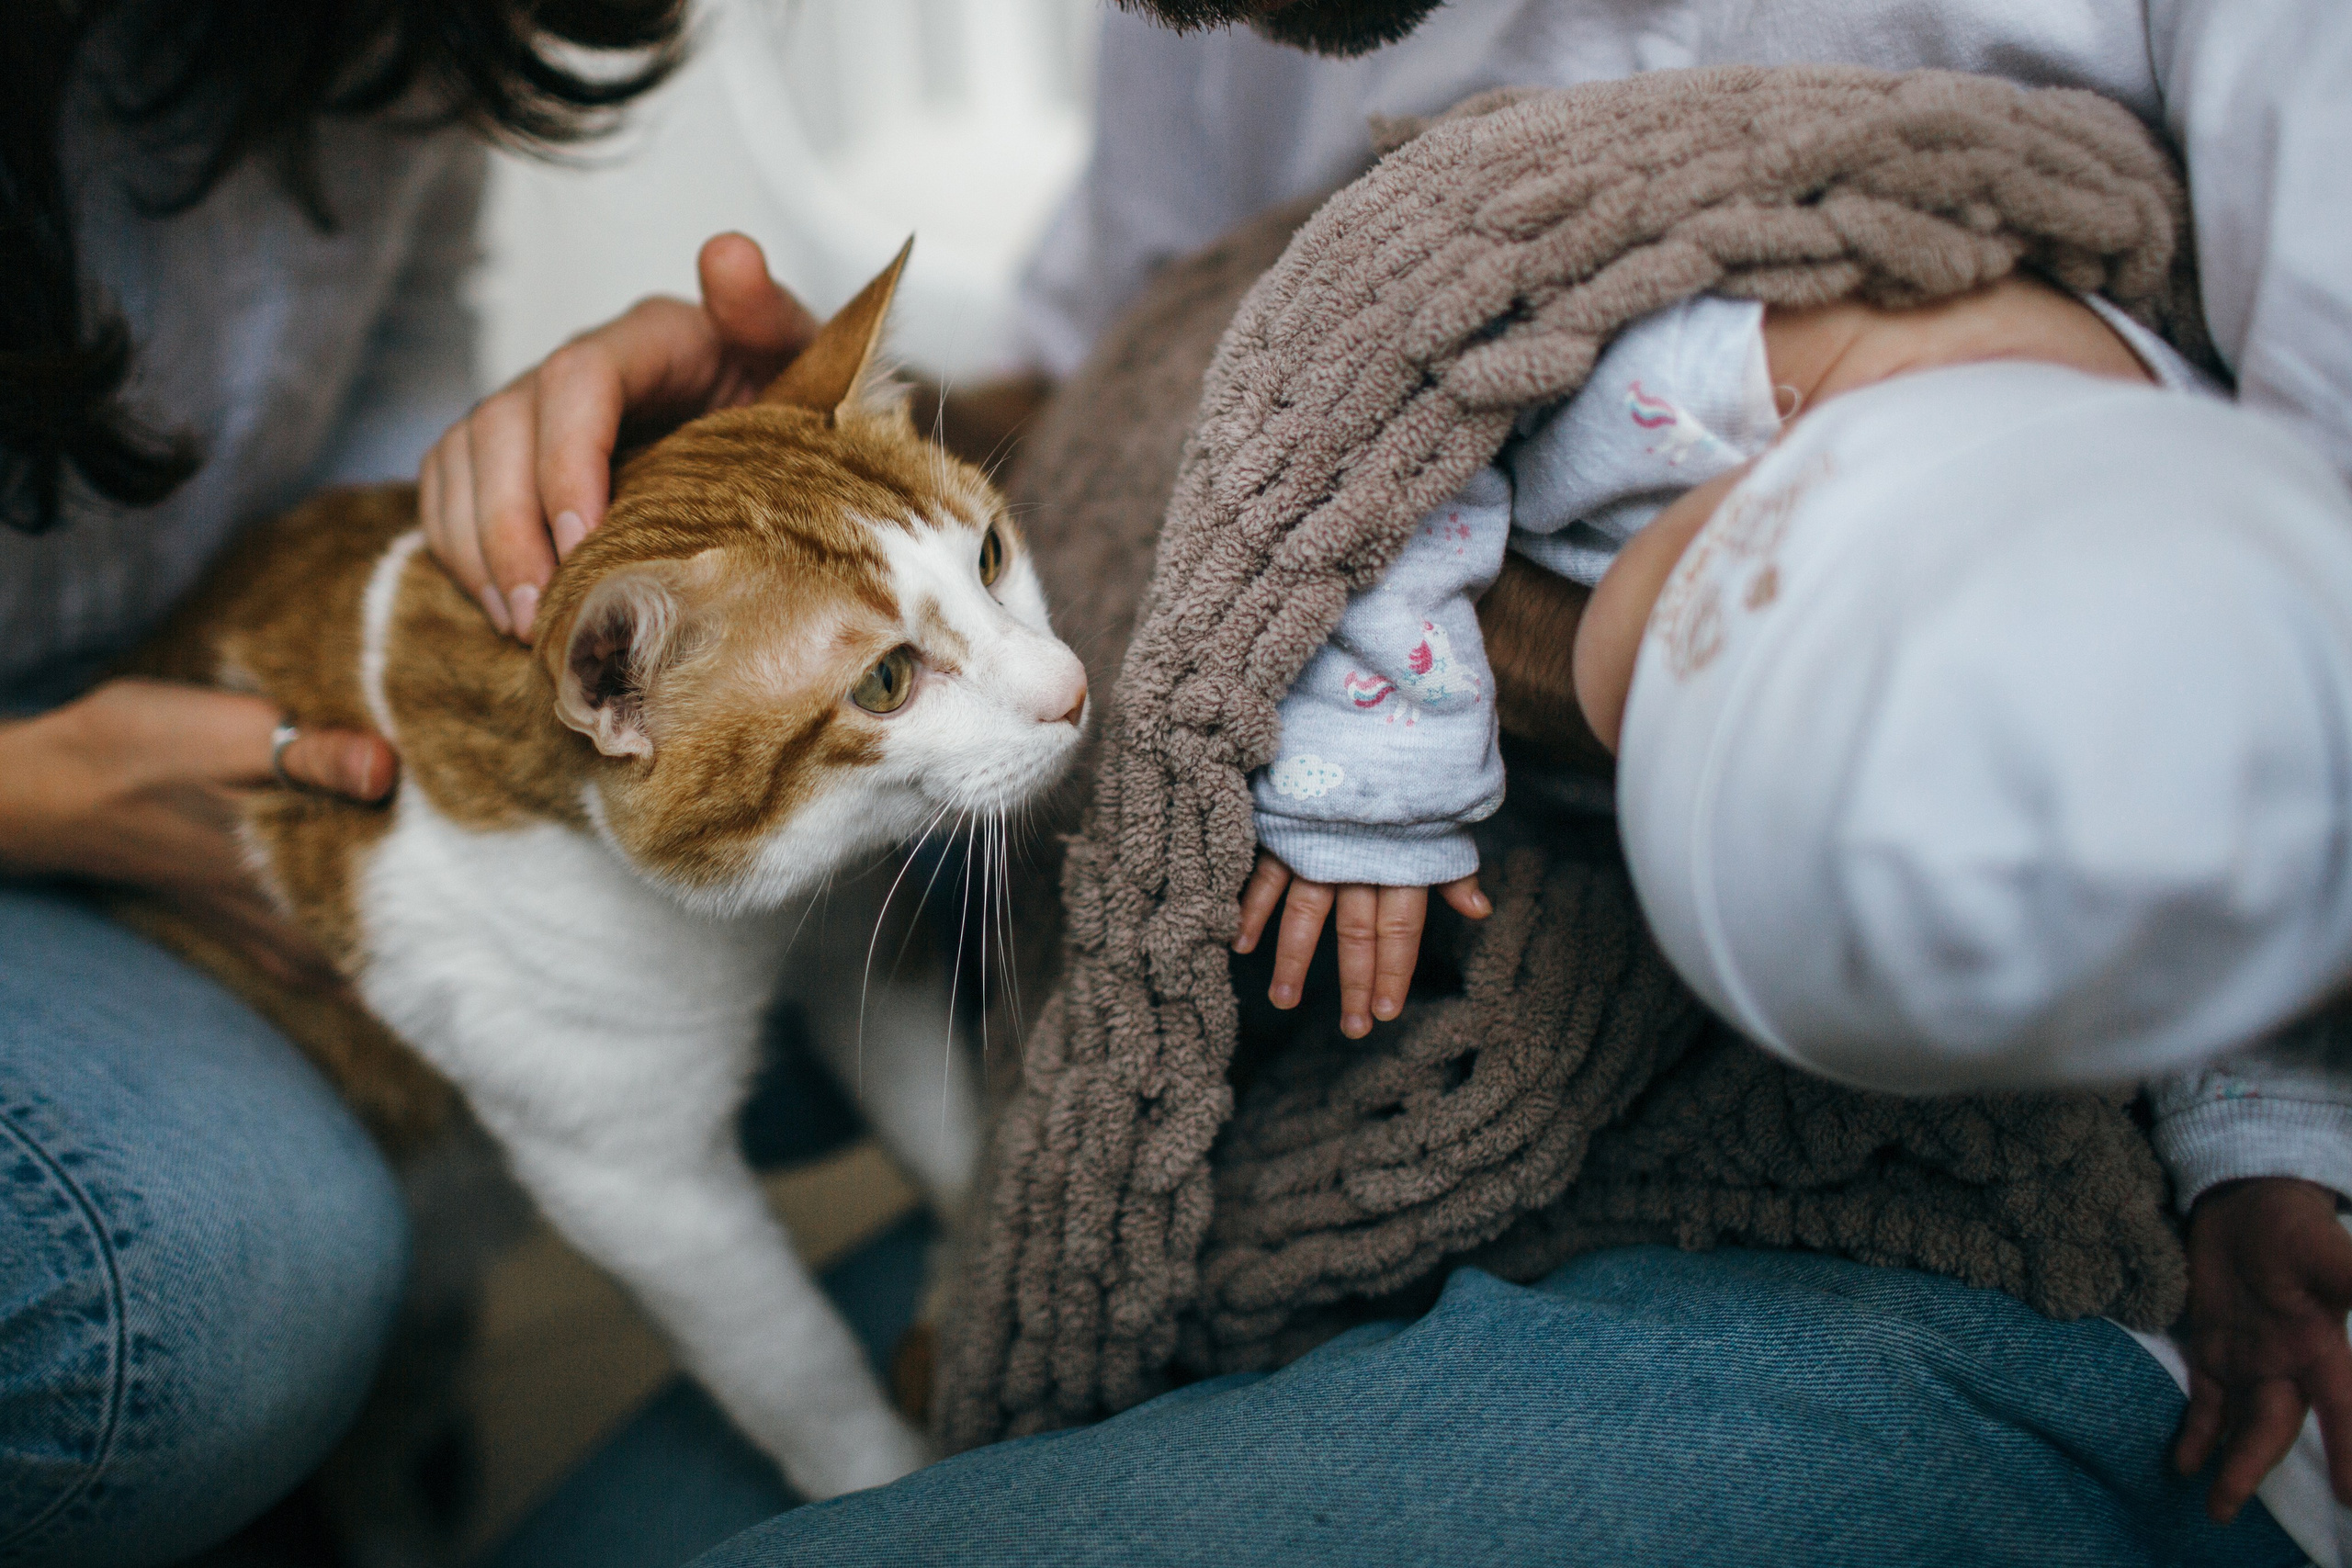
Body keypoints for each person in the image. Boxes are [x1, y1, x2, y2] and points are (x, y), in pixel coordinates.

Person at [427, 2, 2352, 1562]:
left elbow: (2210, 864)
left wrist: (2274, 1154)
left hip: (1926, 1206)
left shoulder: (2144, 600)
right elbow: (1386, 413)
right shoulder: (1704, 379)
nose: (1231, 36)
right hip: (1427, 997)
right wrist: (747, 477)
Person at [0, 5, 690, 1564]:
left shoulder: (394, 33)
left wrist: (502, 512)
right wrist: (37, 789)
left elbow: (400, 323)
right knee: (179, 1296)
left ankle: (370, 1414)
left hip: (215, 690)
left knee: (761, 928)